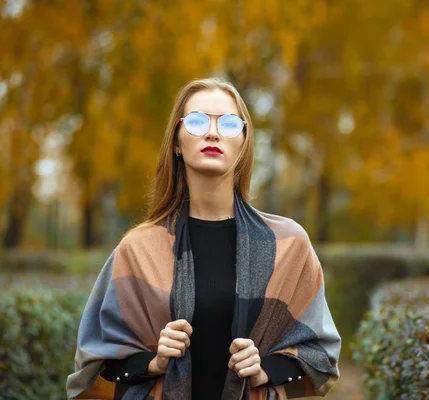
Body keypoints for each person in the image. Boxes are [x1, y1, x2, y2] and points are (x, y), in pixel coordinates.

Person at [65, 77, 341, 400]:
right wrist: (154, 362)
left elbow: (321, 356)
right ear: (177, 143)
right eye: (196, 121)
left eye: (227, 123)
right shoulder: (138, 249)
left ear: (244, 142)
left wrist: (264, 369)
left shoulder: (289, 246)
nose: (212, 132)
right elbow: (94, 365)